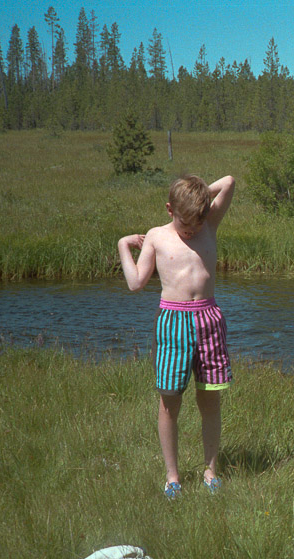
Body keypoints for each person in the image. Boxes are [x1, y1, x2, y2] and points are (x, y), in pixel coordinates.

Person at [117, 174, 236, 499]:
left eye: (197, 222)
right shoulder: (156, 236)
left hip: (209, 320)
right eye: (186, 222)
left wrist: (197, 197)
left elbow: (228, 181)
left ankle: (211, 469)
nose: (192, 230)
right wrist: (123, 245)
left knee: (210, 398)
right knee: (170, 402)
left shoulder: (208, 223)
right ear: (169, 209)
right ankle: (173, 476)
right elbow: (135, 283)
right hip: (173, 323)